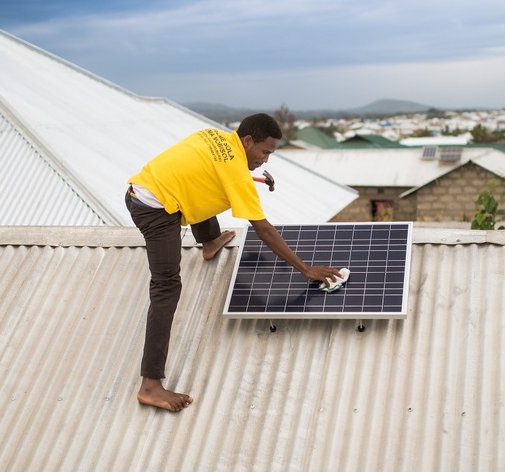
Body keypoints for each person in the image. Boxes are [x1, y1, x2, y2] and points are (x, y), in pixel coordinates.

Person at [125, 113, 342, 412]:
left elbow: (208, 172)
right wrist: (305, 269)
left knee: (207, 185)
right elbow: (263, 229)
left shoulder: (215, 136)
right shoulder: (236, 173)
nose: (266, 160)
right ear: (248, 140)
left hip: (148, 186)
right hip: (153, 209)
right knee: (166, 288)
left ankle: (210, 240)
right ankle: (150, 386)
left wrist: (248, 176)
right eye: (264, 152)